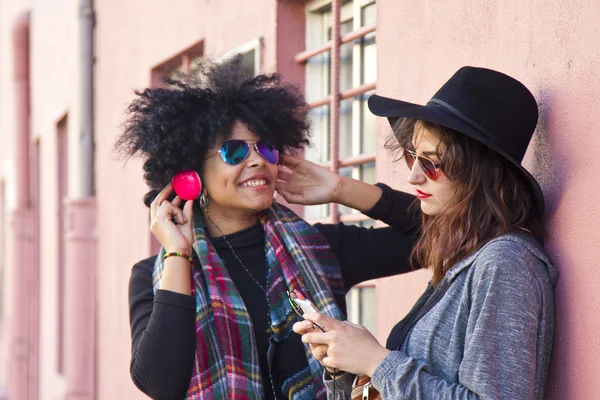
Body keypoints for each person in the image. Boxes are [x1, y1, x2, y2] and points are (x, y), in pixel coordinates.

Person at [117, 55, 420, 400]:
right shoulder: (154, 276)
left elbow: (447, 235)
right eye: (234, 152)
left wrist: (342, 189)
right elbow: (160, 384)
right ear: (191, 173)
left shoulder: (319, 250)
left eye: (265, 148)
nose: (258, 160)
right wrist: (176, 255)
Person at [293, 66, 558, 399]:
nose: (414, 176)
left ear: (481, 173)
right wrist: (346, 364)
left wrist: (377, 361)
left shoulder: (505, 263)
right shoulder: (466, 256)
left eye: (432, 163)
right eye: (411, 156)